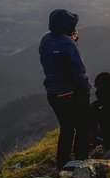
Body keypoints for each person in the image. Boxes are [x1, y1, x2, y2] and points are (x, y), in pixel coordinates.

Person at [39, 9, 92, 169]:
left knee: (67, 128)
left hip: (54, 94)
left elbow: (56, 57)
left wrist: (71, 39)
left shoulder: (45, 40)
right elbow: (79, 72)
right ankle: (81, 160)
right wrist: (86, 88)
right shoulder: (68, 44)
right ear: (67, 27)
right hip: (71, 93)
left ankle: (63, 163)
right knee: (83, 125)